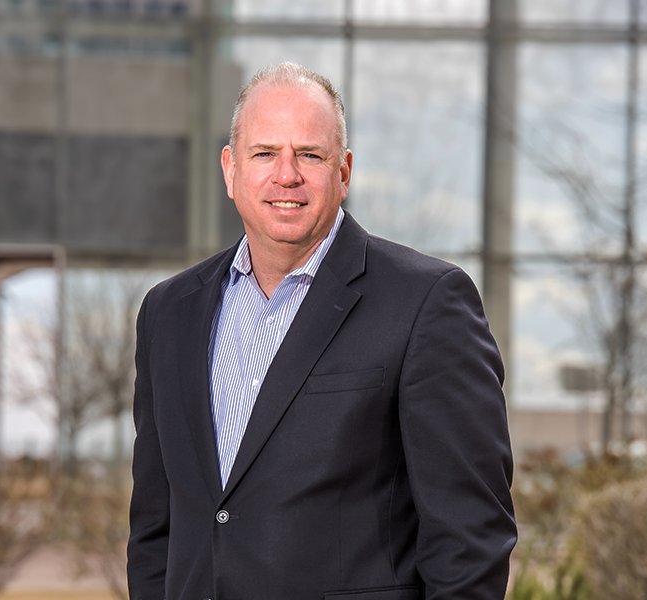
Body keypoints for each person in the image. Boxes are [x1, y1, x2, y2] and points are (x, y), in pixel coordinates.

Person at [127, 62, 515, 600]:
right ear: (230, 169)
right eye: (264, 153)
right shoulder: (168, 313)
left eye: (309, 155)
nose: (286, 175)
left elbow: (471, 541)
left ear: (344, 171)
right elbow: (156, 527)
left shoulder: (427, 303)